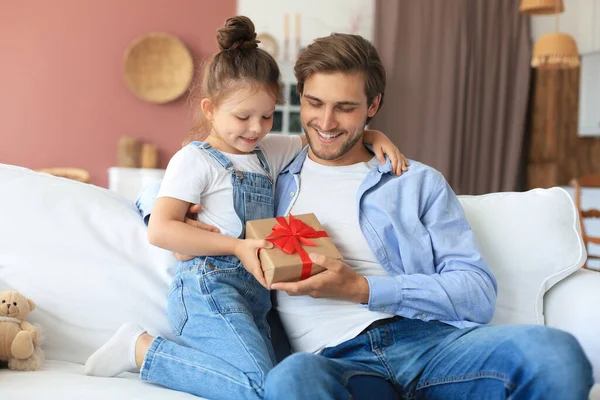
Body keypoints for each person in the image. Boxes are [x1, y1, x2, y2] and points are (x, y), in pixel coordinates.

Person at [139, 32, 593, 399]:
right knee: (289, 382)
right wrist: (189, 227)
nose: (326, 122)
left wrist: (362, 288)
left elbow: (476, 292)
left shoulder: (415, 181)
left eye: (346, 108)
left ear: (372, 107)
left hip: (431, 343)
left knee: (554, 353)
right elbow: (181, 186)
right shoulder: (272, 167)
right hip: (336, 362)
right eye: (315, 103)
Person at [84, 16, 407, 400]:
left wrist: (371, 133)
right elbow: (162, 229)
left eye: (267, 115)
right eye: (243, 117)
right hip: (209, 288)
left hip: (255, 298)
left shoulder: (266, 152)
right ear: (210, 109)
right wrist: (237, 246)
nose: (256, 128)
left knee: (277, 383)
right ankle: (142, 350)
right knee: (261, 390)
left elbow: (325, 138)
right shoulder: (195, 161)